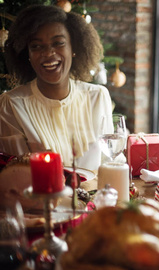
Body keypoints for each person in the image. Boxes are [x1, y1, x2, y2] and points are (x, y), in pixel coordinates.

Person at [0, 4, 113, 171]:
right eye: (36, 46)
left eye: (58, 43)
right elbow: (17, 175)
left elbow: (110, 163)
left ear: (74, 48)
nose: (48, 53)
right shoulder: (12, 105)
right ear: (27, 55)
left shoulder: (98, 96)